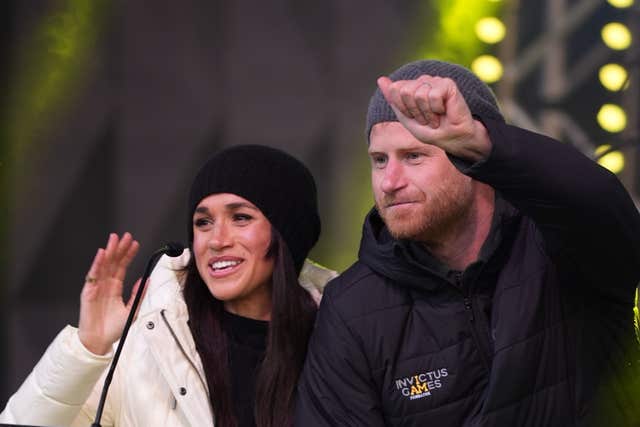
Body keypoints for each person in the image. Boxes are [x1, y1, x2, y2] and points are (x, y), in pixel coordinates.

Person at [295, 60, 640, 426]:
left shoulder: (559, 244)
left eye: (414, 156)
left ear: (472, 158)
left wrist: (481, 143)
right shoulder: (352, 306)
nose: (389, 181)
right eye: (379, 160)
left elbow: (602, 205)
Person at [1, 144, 337, 427]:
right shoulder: (144, 346)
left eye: (240, 218)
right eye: (203, 222)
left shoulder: (342, 335)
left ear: (288, 233)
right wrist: (88, 347)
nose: (216, 240)